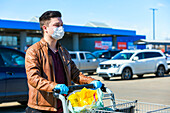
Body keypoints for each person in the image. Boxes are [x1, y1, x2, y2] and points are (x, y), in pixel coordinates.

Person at [25, 10, 103, 113]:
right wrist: (54, 86)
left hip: (63, 105)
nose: (61, 28)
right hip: (42, 108)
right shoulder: (34, 51)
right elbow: (33, 78)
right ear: (45, 28)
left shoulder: (63, 51)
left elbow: (75, 74)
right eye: (56, 25)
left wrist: (91, 81)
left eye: (62, 25)